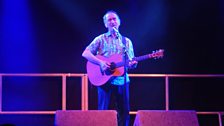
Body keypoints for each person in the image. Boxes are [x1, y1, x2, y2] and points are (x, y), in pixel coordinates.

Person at [82, 10, 137, 126]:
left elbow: (131, 61)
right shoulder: (100, 39)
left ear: (119, 22)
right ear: (105, 24)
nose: (112, 21)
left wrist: (133, 64)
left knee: (124, 112)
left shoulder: (126, 42)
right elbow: (85, 53)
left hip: (122, 80)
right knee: (103, 111)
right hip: (104, 80)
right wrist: (100, 63)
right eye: (109, 20)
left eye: (114, 19)